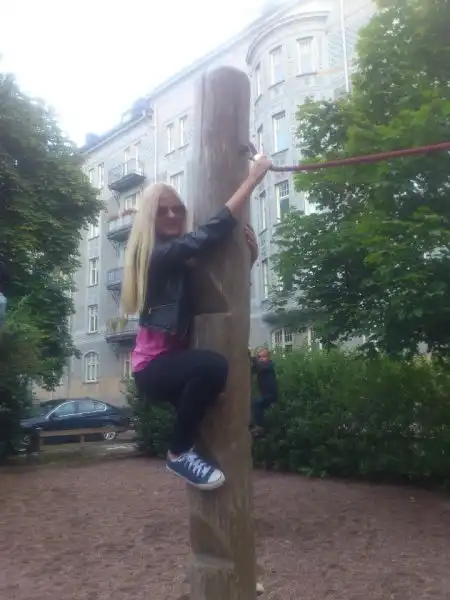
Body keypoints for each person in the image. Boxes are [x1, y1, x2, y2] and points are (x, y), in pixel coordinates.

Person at [121, 155, 271, 491]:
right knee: (211, 366)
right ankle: (178, 453)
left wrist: (248, 261)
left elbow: (209, 294)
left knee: (223, 400)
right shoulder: (157, 255)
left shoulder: (176, 260)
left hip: (172, 363)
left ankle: (200, 457)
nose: (172, 215)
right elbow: (208, 234)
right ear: (149, 219)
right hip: (153, 368)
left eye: (178, 209)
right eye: (162, 211)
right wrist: (251, 180)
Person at [250, 347, 278, 436]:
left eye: (264, 357)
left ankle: (261, 427)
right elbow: (252, 369)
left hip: (271, 395)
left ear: (268, 358)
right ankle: (254, 425)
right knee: (254, 405)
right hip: (265, 395)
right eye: (260, 357)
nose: (261, 359)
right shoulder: (261, 366)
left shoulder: (269, 365)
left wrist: (253, 357)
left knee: (256, 403)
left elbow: (260, 367)